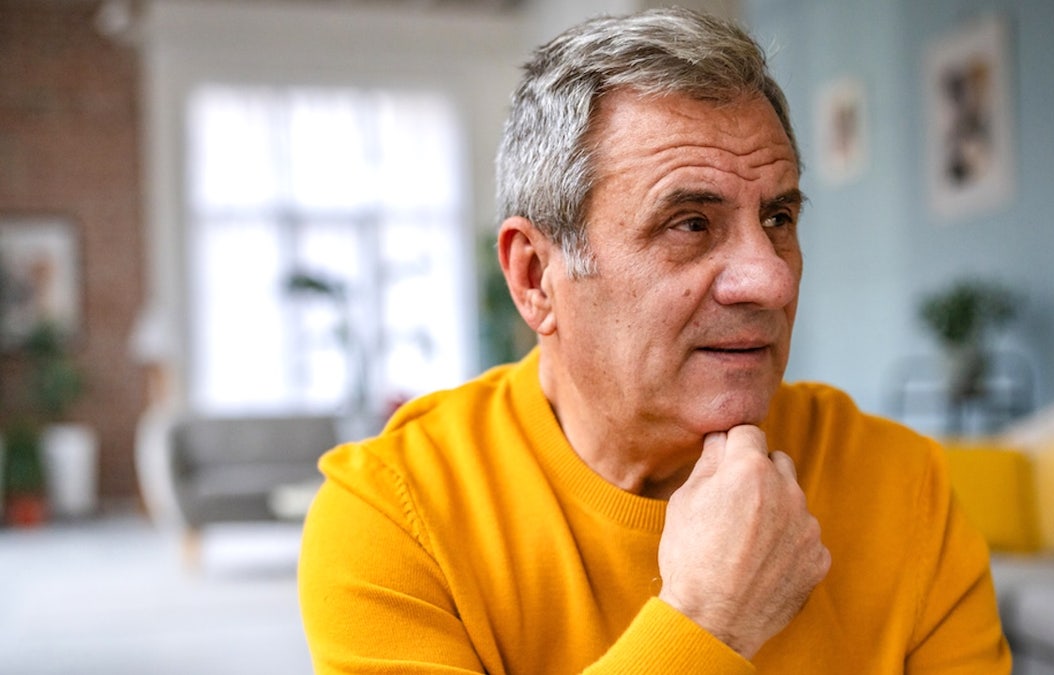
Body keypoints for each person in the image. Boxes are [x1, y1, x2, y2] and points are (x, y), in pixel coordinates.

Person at [298, 8, 1011, 673]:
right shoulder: (395, 515)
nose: (770, 280)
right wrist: (705, 621)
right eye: (690, 223)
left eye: (779, 219)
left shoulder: (902, 484)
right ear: (536, 276)